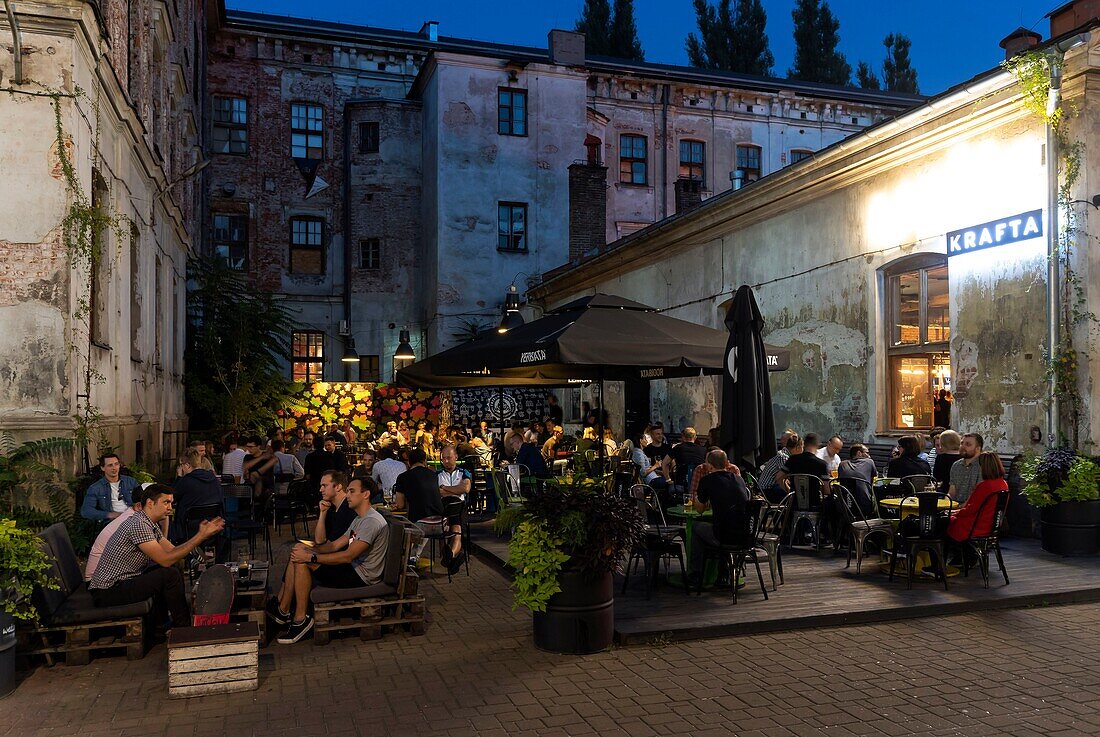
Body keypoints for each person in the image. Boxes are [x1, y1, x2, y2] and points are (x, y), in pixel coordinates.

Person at [266, 477, 389, 644]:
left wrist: (311, 556)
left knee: (304, 561)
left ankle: (300, 619)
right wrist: (308, 549)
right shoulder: (360, 518)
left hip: (362, 576)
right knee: (299, 553)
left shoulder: (371, 521)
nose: (347, 495)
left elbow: (348, 556)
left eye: (352, 491)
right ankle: (284, 610)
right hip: (352, 568)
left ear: (365, 494)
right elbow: (335, 545)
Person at [89, 484, 224, 628]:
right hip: (108, 591)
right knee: (168, 575)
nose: (170, 507)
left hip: (124, 581)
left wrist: (199, 547)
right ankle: (183, 628)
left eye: (171, 503)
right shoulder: (139, 524)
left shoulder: (149, 523)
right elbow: (165, 560)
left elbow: (173, 551)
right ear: (150, 503)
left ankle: (162, 625)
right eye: (166, 502)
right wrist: (200, 536)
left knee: (173, 568)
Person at [689, 450, 752, 584]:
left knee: (697, 527)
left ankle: (697, 573)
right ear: (726, 463)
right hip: (746, 535)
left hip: (723, 537)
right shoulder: (739, 479)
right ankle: (723, 573)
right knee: (724, 524)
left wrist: (695, 497)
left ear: (710, 466)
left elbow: (699, 510)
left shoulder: (707, 480)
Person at [86, 484, 156, 581]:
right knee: (166, 573)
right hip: (101, 581)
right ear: (139, 506)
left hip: (109, 576)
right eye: (163, 502)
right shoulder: (136, 522)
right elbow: (162, 556)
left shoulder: (135, 515)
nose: (168, 507)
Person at [946, 452, 1007, 544]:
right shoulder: (1003, 484)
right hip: (991, 526)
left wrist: (954, 512)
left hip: (975, 527)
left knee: (944, 521)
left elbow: (970, 510)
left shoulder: (984, 486)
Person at [170, 448, 225, 543]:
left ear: (187, 465)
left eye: (181, 465)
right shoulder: (214, 479)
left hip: (188, 527)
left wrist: (179, 477)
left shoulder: (186, 481)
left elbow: (171, 497)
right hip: (213, 523)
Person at [392, 448, 445, 528]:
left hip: (419, 524)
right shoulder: (433, 475)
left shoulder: (403, 477)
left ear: (409, 462)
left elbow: (400, 504)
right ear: (424, 461)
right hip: (440, 523)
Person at [438, 446, 471, 572]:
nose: (446, 461)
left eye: (449, 458)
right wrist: (456, 490)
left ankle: (449, 557)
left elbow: (465, 489)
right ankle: (452, 558)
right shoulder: (437, 475)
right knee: (442, 529)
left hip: (459, 508)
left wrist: (444, 488)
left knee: (457, 528)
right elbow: (438, 493)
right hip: (443, 509)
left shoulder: (464, 473)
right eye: (443, 459)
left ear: (456, 457)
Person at [81, 454, 139, 521]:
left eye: (116, 464)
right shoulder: (96, 488)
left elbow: (143, 500)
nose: (114, 468)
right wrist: (109, 514)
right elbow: (86, 511)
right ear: (102, 468)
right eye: (110, 465)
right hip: (112, 522)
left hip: (133, 518)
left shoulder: (131, 481)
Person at [313, 471, 358, 544]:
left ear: (338, 487)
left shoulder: (349, 509)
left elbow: (332, 545)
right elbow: (320, 540)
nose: (321, 490)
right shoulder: (330, 507)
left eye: (325, 485)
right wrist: (322, 513)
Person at [837, 444, 877, 516]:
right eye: (867, 453)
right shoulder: (869, 462)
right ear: (859, 453)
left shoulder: (842, 464)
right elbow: (872, 481)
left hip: (844, 507)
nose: (869, 456)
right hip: (865, 507)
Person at [241, 436, 278, 514]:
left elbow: (275, 460)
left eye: (251, 447)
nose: (249, 449)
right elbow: (245, 466)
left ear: (258, 446)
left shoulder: (267, 455)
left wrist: (258, 472)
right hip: (252, 486)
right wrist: (261, 458)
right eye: (247, 447)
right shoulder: (248, 457)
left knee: (258, 478)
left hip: (266, 485)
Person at [757, 433, 797, 501]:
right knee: (794, 496)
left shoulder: (781, 454)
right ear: (796, 448)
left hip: (766, 488)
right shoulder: (784, 457)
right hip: (767, 490)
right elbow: (788, 476)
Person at [948, 432, 984, 503]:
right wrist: (947, 504)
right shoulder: (956, 465)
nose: (963, 447)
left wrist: (961, 508)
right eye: (962, 443)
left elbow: (978, 495)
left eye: (968, 444)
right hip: (955, 506)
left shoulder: (983, 466)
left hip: (973, 507)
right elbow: (952, 492)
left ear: (977, 449)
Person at [933, 430, 962, 494]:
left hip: (946, 489)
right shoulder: (963, 457)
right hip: (962, 489)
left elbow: (936, 476)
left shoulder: (941, 458)